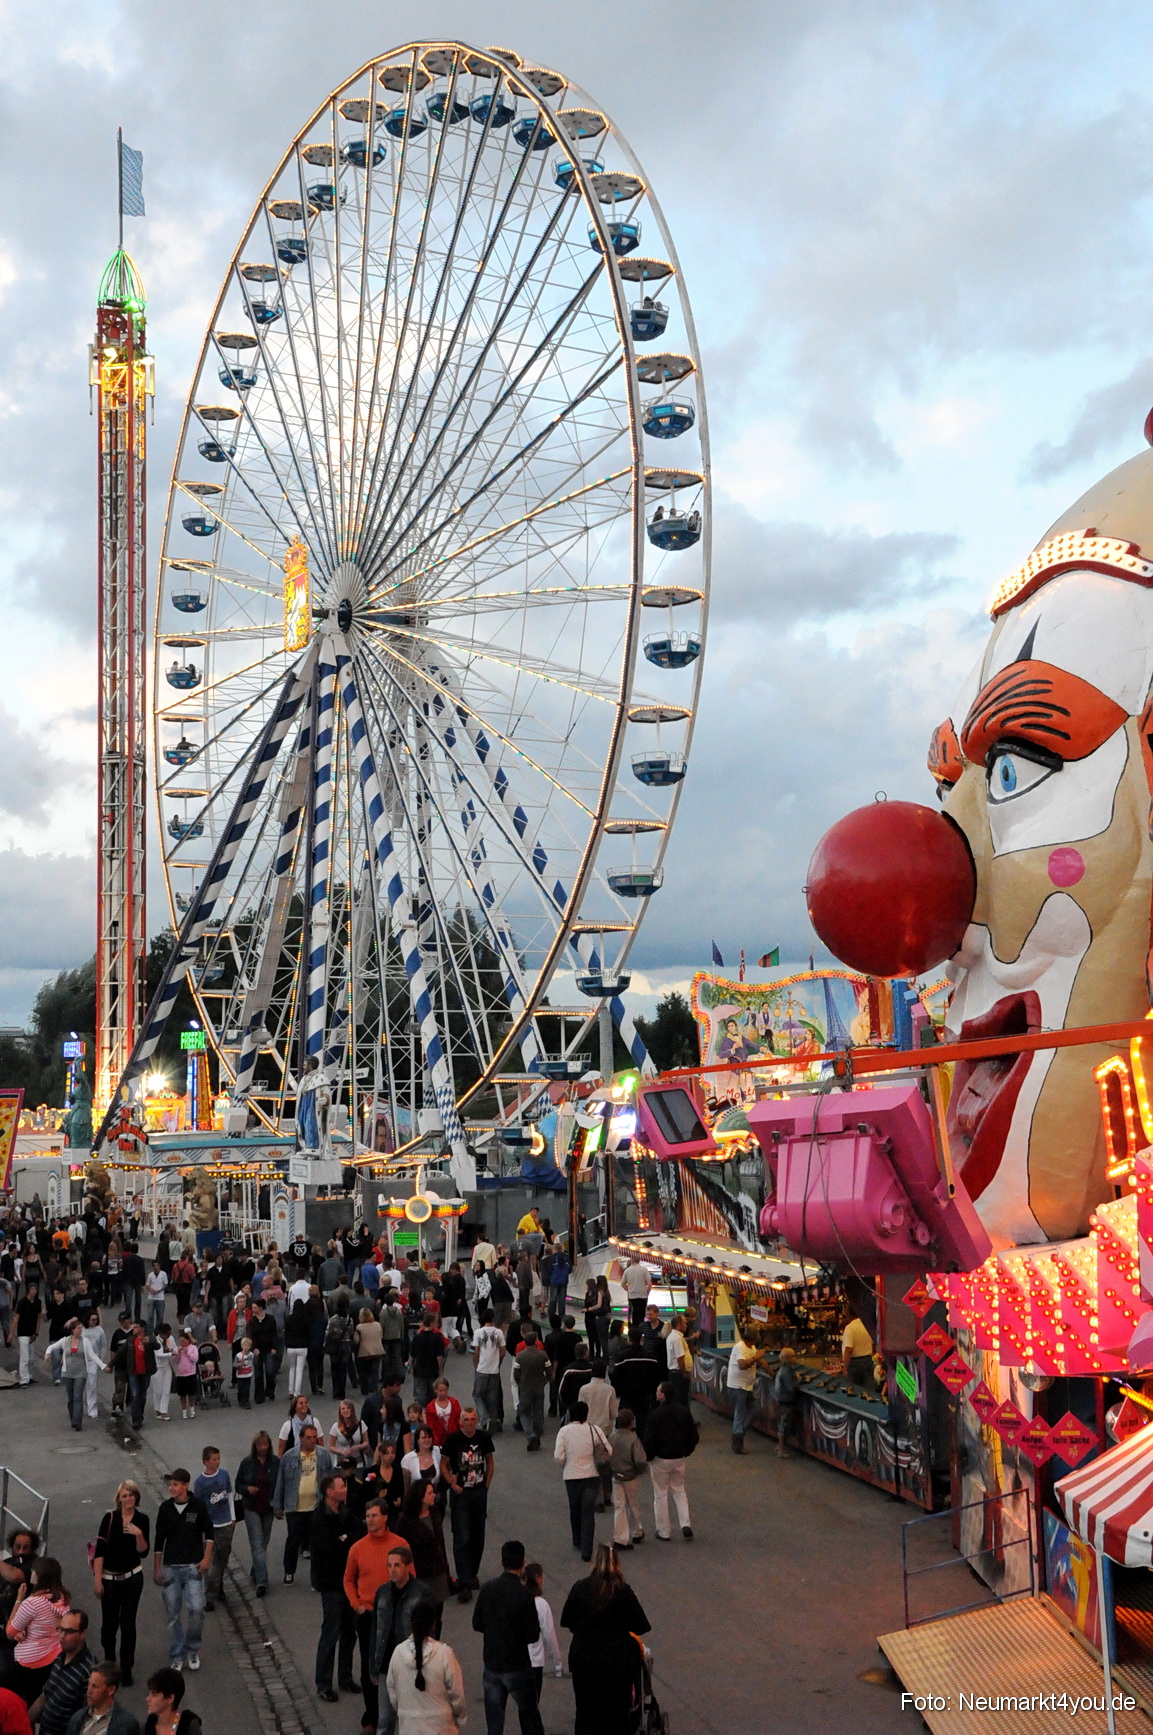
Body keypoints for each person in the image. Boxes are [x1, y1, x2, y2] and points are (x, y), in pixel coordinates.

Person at [560, 1544, 650, 1735]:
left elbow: (567, 1620)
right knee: (617, 1714)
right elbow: (641, 1625)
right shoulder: (623, 1591)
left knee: (585, 1711)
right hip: (617, 1663)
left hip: (584, 1660)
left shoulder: (580, 1587)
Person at [345, 1505, 406, 1735]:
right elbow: (348, 1580)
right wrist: (356, 1605)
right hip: (368, 1615)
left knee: (396, 1664)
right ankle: (371, 1718)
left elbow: (411, 1576)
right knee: (370, 1667)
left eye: (374, 1515)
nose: (369, 1519)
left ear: (385, 1517)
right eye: (367, 1515)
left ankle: (397, 1713)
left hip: (395, 1615)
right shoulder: (357, 1548)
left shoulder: (399, 1544)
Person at [472, 1539, 543, 1735]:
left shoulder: (487, 1589)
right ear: (522, 1563)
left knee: (494, 1724)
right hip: (517, 1664)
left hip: (492, 1664)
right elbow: (533, 1635)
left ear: (501, 1562)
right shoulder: (524, 1595)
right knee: (529, 1716)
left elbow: (477, 1624)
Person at [152, 1470, 213, 1672]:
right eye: (170, 1485)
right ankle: (177, 1654)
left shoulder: (198, 1506)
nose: (171, 1488)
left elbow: (209, 1533)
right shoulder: (165, 1509)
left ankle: (193, 1648)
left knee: (197, 1608)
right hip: (171, 1567)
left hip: (193, 1566)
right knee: (173, 1614)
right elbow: (159, 1540)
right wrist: (157, 1568)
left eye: (175, 1484)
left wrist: (206, 1558)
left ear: (185, 1486)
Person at [369, 1546, 431, 1735]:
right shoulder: (382, 1592)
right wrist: (373, 1663)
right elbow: (375, 1630)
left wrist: (424, 1666)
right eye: (389, 1566)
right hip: (385, 1666)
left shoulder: (421, 1593)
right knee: (384, 1720)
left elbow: (430, 1634)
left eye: (397, 1565)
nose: (392, 1570)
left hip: (409, 1665)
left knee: (409, 1720)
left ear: (407, 1566)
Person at [310, 1473, 360, 1703]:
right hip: (331, 1583)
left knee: (350, 1631)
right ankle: (323, 1683)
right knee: (331, 1632)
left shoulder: (346, 1512)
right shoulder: (319, 1517)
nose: (345, 1488)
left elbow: (358, 1534)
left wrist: (344, 1539)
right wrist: (344, 1541)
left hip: (350, 1580)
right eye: (341, 1486)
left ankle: (345, 1677)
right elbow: (327, 1548)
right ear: (330, 1492)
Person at [93, 1482, 150, 1685]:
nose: (128, 1499)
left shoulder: (142, 1519)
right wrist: (97, 1579)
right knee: (108, 1625)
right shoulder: (109, 1518)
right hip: (109, 1579)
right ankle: (110, 1663)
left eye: (132, 1495)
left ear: (136, 1497)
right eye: (125, 1496)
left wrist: (139, 1534)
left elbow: (143, 1552)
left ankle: (126, 1668)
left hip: (132, 1577)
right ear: (119, 1499)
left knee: (128, 1623)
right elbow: (99, 1551)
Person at [384, 1594, 466, 1735]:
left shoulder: (398, 1653)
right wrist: (460, 1717)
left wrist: (405, 1711)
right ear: (433, 1623)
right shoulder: (444, 1654)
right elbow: (457, 1693)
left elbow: (392, 1690)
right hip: (441, 1726)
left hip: (409, 1726)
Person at [440, 1407, 493, 1604]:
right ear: (460, 1421)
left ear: (477, 1420)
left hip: (479, 1492)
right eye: (466, 1419)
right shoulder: (453, 1440)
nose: (469, 1423)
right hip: (461, 1494)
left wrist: (486, 1484)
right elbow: (444, 1464)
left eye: (472, 1419)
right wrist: (452, 1485)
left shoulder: (484, 1438)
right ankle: (463, 1580)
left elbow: (490, 1461)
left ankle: (472, 1573)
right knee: (462, 1536)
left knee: (478, 1535)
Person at [2, 1557, 69, 1704]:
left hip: (30, 1662)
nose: (31, 1572)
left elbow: (10, 1632)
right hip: (53, 1656)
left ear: (39, 1575)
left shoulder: (31, 1604)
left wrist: (19, 1599)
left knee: (27, 1701)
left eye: (33, 1570)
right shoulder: (62, 1598)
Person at [272, 1423, 332, 1583]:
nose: (312, 1441)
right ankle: (289, 1571)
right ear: (301, 1438)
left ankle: (316, 1578)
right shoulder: (289, 1456)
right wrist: (277, 1505)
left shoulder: (323, 1455)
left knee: (317, 1543)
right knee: (293, 1540)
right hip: (295, 1507)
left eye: (314, 1437)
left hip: (316, 1506)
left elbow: (330, 1481)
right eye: (308, 1438)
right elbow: (281, 1481)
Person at [553, 1400, 609, 1563]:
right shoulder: (594, 1429)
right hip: (591, 1476)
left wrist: (566, 1465)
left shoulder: (564, 1431)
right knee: (588, 1512)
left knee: (575, 1508)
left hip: (572, 1477)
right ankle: (587, 1549)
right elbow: (608, 1450)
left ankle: (577, 1539)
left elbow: (558, 1456)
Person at [641, 1382, 698, 1542]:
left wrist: (649, 1456)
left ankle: (663, 1531)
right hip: (679, 1457)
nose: (656, 1392)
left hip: (660, 1459)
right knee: (679, 1490)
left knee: (661, 1494)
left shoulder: (654, 1415)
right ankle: (685, 1524)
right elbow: (693, 1435)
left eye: (658, 1390)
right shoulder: (684, 1412)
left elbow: (649, 1440)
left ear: (663, 1395)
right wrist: (687, 1451)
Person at [28, 1605, 93, 1735]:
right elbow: (45, 1695)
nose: (62, 1636)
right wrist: (24, 1722)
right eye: (60, 1630)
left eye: (68, 1631)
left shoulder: (88, 1671)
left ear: (83, 1633)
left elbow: (88, 1717)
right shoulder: (60, 1657)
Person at [394, 1485, 449, 1633]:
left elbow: (441, 1543)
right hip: (420, 1575)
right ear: (420, 1497)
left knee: (437, 1616)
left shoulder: (435, 1513)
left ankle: (434, 1649)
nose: (434, 1495)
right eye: (430, 1493)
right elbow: (401, 1550)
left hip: (438, 1573)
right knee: (419, 1616)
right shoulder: (406, 1521)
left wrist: (446, 1571)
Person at [192, 1448, 234, 1612]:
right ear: (206, 1462)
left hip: (225, 1524)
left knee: (223, 1559)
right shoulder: (200, 1482)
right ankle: (209, 1596)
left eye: (218, 1459)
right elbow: (198, 1506)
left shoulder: (224, 1475)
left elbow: (230, 1494)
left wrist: (232, 1516)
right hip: (210, 1527)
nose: (217, 1462)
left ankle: (219, 1585)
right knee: (210, 1564)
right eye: (214, 1459)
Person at [44, 1320, 105, 1432]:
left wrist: (103, 1366)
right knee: (71, 1398)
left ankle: (77, 1422)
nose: (80, 1330)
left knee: (78, 1397)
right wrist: (47, 1354)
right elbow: (51, 1347)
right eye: (78, 1328)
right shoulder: (65, 1341)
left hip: (80, 1373)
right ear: (73, 1330)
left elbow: (93, 1355)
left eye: (81, 1328)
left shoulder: (85, 1342)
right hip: (67, 1373)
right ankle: (73, 1417)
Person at [236, 1431, 276, 1597]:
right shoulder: (247, 1463)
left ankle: (256, 1571)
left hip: (268, 1508)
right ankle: (262, 1582)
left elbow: (279, 1484)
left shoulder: (275, 1462)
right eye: (259, 1445)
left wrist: (278, 1505)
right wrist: (247, 1489)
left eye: (265, 1445)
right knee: (257, 1545)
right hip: (251, 1508)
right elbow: (238, 1484)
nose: (262, 1448)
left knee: (263, 1543)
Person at [65, 1660, 139, 1735]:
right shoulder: (77, 1719)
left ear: (111, 1690)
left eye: (95, 1686)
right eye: (89, 1684)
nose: (88, 1691)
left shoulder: (127, 1725)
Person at [608, 1409, 647, 1549]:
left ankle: (620, 1538)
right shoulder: (633, 1438)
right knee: (633, 1505)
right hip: (630, 1477)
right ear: (631, 1422)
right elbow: (641, 1460)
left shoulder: (612, 1437)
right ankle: (637, 1531)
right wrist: (639, 1471)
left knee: (619, 1506)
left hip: (616, 1476)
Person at [523, 1563, 562, 1702]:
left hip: (517, 1660)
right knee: (533, 1703)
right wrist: (557, 1662)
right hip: (534, 1661)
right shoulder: (541, 1604)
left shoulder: (518, 1599)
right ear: (539, 1578)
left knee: (523, 1704)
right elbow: (549, 1635)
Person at [609, 1333, 661, 1431]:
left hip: (627, 1395)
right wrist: (652, 1392)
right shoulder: (651, 1357)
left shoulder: (622, 1357)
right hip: (644, 1395)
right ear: (642, 1339)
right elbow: (655, 1376)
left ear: (629, 1339)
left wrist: (618, 1391)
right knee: (643, 1421)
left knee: (624, 1422)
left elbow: (615, 1376)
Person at [727, 1331, 766, 1454]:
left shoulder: (751, 1347)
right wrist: (756, 1357)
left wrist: (771, 1373)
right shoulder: (740, 1347)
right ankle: (737, 1442)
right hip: (737, 1386)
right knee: (740, 1414)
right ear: (751, 1339)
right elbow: (742, 1365)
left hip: (747, 1386)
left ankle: (738, 1433)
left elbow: (760, 1362)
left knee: (754, 1410)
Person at [512, 1330, 549, 1451]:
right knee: (538, 1411)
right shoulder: (543, 1355)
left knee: (523, 1412)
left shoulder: (520, 1356)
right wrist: (544, 1381)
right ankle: (538, 1435)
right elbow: (549, 1373)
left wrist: (520, 1384)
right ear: (535, 1341)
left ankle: (530, 1434)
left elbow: (516, 1374)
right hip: (539, 1387)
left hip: (525, 1388)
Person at [471, 1311, 505, 1433]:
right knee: (493, 1397)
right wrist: (498, 1363)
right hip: (494, 1370)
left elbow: (476, 1352)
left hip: (482, 1368)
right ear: (493, 1318)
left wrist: (476, 1364)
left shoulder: (478, 1333)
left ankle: (484, 1418)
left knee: (477, 1395)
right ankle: (494, 1421)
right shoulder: (499, 1332)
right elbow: (502, 1351)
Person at [143, 1667, 201, 1735]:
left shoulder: (189, 1726)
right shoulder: (149, 1727)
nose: (147, 1699)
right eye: (150, 1694)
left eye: (154, 1695)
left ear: (170, 1698)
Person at [543, 1316, 579, 1418]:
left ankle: (553, 1409)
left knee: (554, 1388)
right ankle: (565, 1409)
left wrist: (553, 1370)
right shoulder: (577, 1337)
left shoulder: (556, 1338)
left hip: (560, 1367)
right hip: (572, 1366)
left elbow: (556, 1356)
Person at [410, 1315, 446, 1410]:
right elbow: (439, 1357)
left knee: (420, 1397)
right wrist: (441, 1371)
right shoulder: (437, 1338)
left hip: (420, 1371)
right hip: (432, 1371)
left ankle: (421, 1415)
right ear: (431, 1323)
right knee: (433, 1396)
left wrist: (412, 1367)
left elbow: (413, 1356)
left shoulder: (417, 1338)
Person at [400, 1427, 442, 1501]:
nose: (427, 1440)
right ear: (417, 1440)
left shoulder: (438, 1452)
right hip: (416, 1500)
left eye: (429, 1437)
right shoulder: (407, 1459)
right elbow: (406, 1487)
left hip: (435, 1498)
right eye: (424, 1438)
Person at [250, 1299, 279, 1403]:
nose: (253, 1309)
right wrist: (253, 1348)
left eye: (254, 1307)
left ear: (260, 1307)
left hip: (268, 1349)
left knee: (270, 1372)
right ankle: (259, 1395)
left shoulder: (270, 1319)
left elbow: (274, 1334)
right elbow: (250, 1336)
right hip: (257, 1350)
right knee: (258, 1374)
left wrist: (274, 1347)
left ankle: (270, 1391)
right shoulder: (252, 1321)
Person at [774, 1347, 800, 1458]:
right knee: (785, 1424)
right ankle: (781, 1449)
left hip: (781, 1399)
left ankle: (780, 1446)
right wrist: (799, 1380)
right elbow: (791, 1387)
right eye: (793, 1356)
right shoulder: (787, 1371)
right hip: (786, 1400)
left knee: (783, 1423)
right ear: (788, 1358)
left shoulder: (784, 1369)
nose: (795, 1358)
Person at [663, 1313, 693, 1406]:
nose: (686, 1325)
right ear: (679, 1325)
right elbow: (680, 1357)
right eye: (684, 1323)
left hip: (676, 1373)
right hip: (679, 1374)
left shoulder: (674, 1336)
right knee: (681, 1399)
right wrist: (684, 1373)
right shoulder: (677, 1339)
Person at [14, 1284, 40, 1388]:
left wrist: (36, 1332)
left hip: (32, 1333)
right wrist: (12, 1333)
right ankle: (23, 1379)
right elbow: (16, 1317)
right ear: (28, 1291)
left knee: (31, 1357)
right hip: (23, 1332)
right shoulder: (22, 1302)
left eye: (35, 1289)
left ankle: (29, 1376)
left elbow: (38, 1318)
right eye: (32, 1289)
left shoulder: (38, 1302)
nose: (33, 1291)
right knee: (24, 1357)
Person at [170, 1334, 198, 1424]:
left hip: (191, 1374)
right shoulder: (178, 1349)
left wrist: (187, 1352)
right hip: (181, 1375)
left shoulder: (193, 1348)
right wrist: (178, 1353)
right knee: (182, 1394)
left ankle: (192, 1409)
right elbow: (174, 1361)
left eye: (183, 1341)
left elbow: (195, 1359)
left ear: (187, 1340)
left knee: (191, 1394)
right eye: (180, 1341)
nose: (181, 1343)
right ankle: (184, 1411)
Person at [424, 1380, 461, 1449]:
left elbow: (459, 1421)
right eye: (440, 1391)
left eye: (445, 1390)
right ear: (435, 1390)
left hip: (454, 1437)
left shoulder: (454, 1403)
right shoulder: (430, 1407)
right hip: (438, 1440)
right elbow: (431, 1427)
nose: (443, 1393)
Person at [842, 1310, 874, 1388]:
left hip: (855, 1364)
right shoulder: (867, 1325)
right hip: (868, 1360)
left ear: (848, 1315)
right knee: (869, 1389)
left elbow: (849, 1349)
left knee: (855, 1390)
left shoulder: (850, 1328)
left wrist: (845, 1367)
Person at [620, 1257, 652, 1331]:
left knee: (634, 1314)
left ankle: (634, 1331)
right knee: (641, 1315)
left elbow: (623, 1284)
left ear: (632, 1260)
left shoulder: (627, 1270)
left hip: (632, 1296)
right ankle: (641, 1331)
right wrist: (647, 1292)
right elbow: (649, 1284)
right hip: (642, 1296)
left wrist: (629, 1290)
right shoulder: (644, 1269)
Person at [151, 1325, 174, 1421]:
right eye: (167, 1334)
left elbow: (175, 1347)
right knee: (158, 1391)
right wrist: (171, 1353)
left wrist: (178, 1350)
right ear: (161, 1334)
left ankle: (164, 1411)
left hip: (167, 1367)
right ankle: (157, 1410)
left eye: (170, 1334)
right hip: (157, 1368)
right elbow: (159, 1354)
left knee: (166, 1390)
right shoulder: (155, 1341)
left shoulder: (170, 1339)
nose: (169, 1336)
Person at [144, 1264, 167, 1334]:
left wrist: (160, 1290)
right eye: (154, 1266)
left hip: (160, 1298)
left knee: (160, 1316)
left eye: (157, 1265)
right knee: (150, 1316)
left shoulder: (163, 1274)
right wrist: (151, 1290)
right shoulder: (150, 1275)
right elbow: (147, 1285)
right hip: (151, 1297)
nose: (155, 1267)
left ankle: (158, 1331)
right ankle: (150, 1331)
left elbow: (165, 1284)